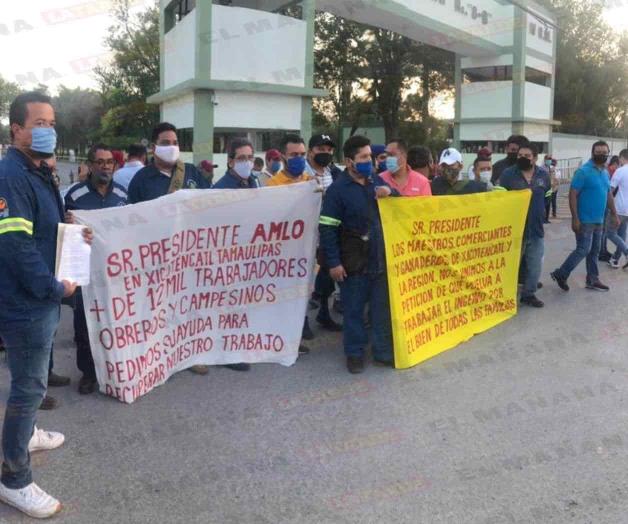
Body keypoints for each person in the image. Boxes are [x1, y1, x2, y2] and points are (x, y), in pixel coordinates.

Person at [0, 91, 91, 518]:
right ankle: (14, 479)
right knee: (28, 387)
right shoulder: (10, 176)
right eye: (39, 123)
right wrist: (55, 288)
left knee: (28, 379)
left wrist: (71, 228)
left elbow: (42, 227)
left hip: (40, 295)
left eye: (51, 122)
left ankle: (29, 432)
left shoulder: (38, 171)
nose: (48, 130)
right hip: (26, 300)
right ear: (16, 128)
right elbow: (15, 246)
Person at [319, 135, 394, 374]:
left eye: (369, 156)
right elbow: (328, 228)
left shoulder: (375, 181)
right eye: (363, 157)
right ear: (349, 161)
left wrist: (389, 192)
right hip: (352, 262)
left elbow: (400, 206)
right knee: (353, 309)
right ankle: (355, 353)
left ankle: (382, 352)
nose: (368, 161)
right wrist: (333, 263)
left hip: (378, 259)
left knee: (380, 309)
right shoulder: (337, 191)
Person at [65, 144, 128, 394]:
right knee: (85, 324)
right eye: (100, 162)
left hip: (114, 269)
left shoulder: (123, 194)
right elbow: (65, 229)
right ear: (90, 165)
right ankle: (89, 373)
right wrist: (70, 223)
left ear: (114, 166)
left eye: (109, 162)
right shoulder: (76, 195)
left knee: (116, 320)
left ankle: (115, 367)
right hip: (86, 269)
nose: (105, 166)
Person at [261, 135, 313, 352]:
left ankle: (294, 337)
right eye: (294, 155)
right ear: (283, 156)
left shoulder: (310, 182)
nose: (299, 158)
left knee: (301, 295)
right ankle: (279, 339)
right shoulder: (272, 186)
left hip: (304, 250)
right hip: (281, 253)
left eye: (302, 154)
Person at [551, 141, 619, 292]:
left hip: (599, 220)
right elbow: (572, 194)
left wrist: (614, 214)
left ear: (607, 154)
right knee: (583, 249)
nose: (601, 155)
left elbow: (608, 194)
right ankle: (561, 273)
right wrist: (575, 218)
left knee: (594, 251)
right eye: (598, 152)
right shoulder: (583, 171)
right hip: (584, 220)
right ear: (592, 152)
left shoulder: (605, 172)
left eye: (604, 152)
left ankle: (592, 279)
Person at [500, 143, 550, 307]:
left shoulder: (543, 175)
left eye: (527, 156)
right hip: (515, 230)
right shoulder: (508, 174)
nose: (522, 158)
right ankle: (504, 295)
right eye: (520, 155)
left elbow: (547, 196)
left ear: (535, 158)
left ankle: (528, 294)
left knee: (535, 265)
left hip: (536, 230)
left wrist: (542, 215)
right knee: (510, 265)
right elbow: (500, 199)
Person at [305, 134, 342, 332]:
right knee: (304, 281)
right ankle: (301, 323)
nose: (325, 153)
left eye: (328, 150)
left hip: (327, 234)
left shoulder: (334, 172)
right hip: (305, 235)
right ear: (311, 151)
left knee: (327, 279)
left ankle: (323, 315)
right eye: (320, 149)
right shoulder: (302, 173)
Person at [127, 122, 210, 204]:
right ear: (153, 147)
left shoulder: (192, 171)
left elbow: (209, 200)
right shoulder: (141, 180)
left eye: (175, 143)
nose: (172, 148)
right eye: (165, 143)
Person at [607, 149, 628, 268]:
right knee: (621, 234)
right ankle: (615, 259)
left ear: (621, 158)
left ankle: (627, 252)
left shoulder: (620, 170)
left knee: (610, 233)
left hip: (619, 208)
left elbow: (611, 190)